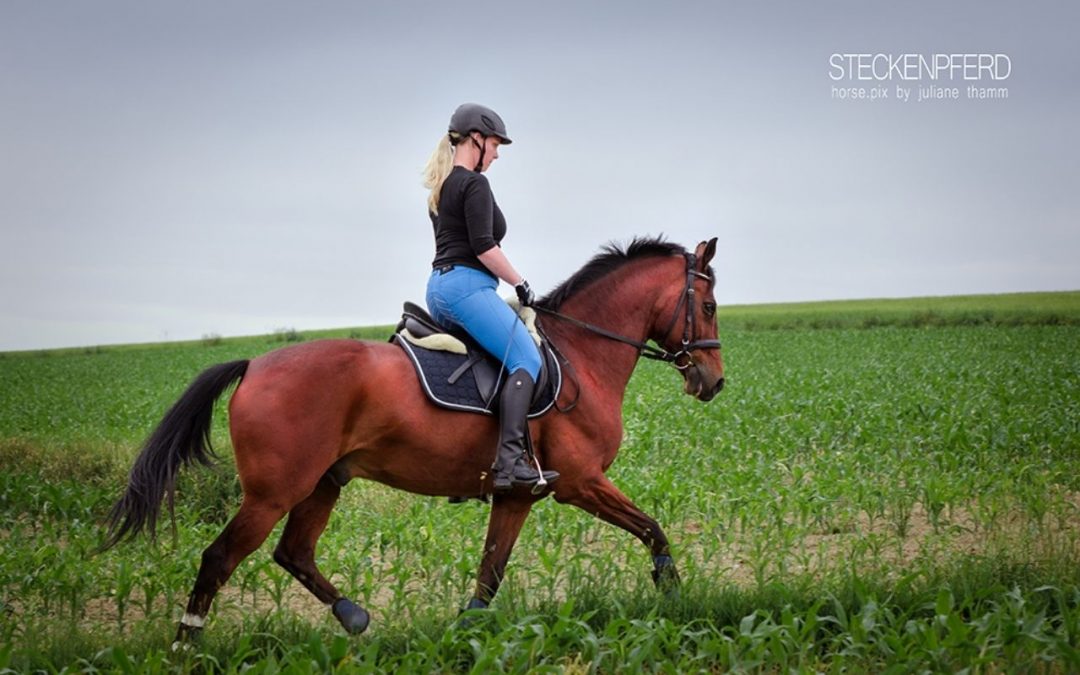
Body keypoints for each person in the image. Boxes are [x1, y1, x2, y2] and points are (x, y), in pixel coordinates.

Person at [422, 103, 559, 493]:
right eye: (495, 145)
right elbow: (484, 247)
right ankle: (510, 464)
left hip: (438, 289)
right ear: (476, 140)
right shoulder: (474, 184)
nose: (497, 154)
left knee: (488, 363)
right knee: (527, 359)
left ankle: (467, 456)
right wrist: (520, 283)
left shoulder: (442, 186)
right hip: (467, 288)